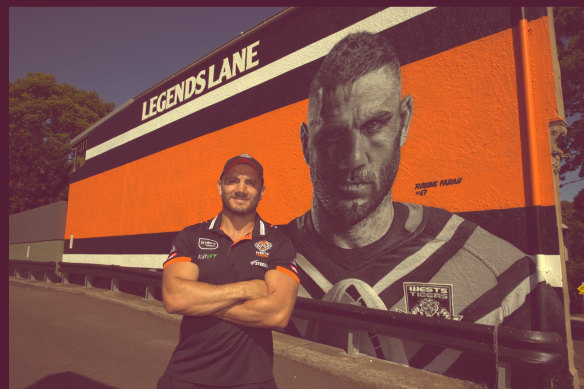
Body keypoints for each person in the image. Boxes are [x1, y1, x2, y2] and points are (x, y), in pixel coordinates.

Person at [282, 32, 566, 386]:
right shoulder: (260, 258)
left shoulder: (501, 278)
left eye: (374, 125)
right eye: (333, 134)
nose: (353, 158)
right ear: (307, 144)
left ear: (404, 120)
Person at [159, 154, 299, 389]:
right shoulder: (192, 236)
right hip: (186, 376)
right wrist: (247, 288)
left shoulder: (278, 242)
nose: (241, 188)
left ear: (262, 191)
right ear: (220, 186)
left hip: (252, 380)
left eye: (251, 182)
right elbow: (175, 298)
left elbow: (278, 314)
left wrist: (200, 301)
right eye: (233, 180)